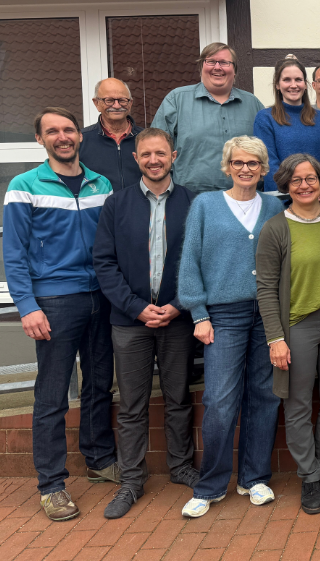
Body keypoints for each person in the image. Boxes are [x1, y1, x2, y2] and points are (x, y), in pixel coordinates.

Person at [3, 107, 119, 522]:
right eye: (52, 131)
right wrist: (27, 305)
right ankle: (51, 485)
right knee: (52, 396)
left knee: (99, 385)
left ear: (79, 135)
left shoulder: (101, 183)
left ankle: (99, 460)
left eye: (69, 129)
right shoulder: (24, 186)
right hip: (54, 301)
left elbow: (113, 243)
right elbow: (14, 253)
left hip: (101, 297)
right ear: (40, 139)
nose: (63, 136)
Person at [92, 128, 199, 519]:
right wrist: (136, 307)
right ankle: (132, 480)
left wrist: (178, 305)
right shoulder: (116, 204)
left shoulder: (194, 203)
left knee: (178, 398)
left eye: (161, 153)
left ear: (174, 156)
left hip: (177, 319)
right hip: (129, 322)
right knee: (132, 405)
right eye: (147, 154)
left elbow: (202, 261)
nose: (154, 160)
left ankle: (181, 466)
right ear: (136, 158)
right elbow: (104, 263)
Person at [177, 136, 284, 518]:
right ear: (227, 167)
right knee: (220, 401)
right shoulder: (206, 205)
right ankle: (210, 485)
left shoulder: (274, 206)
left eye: (253, 163)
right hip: (223, 315)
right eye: (238, 162)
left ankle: (254, 478)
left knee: (265, 397)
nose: (245, 169)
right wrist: (198, 313)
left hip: (267, 313)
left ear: (263, 168)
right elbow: (190, 260)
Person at [256, 154, 320, 515]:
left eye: (311, 178)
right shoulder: (275, 229)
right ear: (285, 185)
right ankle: (309, 475)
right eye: (296, 180)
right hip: (297, 323)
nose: (304, 185)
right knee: (298, 402)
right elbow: (266, 288)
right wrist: (275, 338)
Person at [152, 43, 264, 194]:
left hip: (245, 197)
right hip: (189, 198)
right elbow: (156, 150)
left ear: (234, 70)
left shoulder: (252, 104)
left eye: (224, 62)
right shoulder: (177, 100)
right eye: (211, 61)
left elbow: (267, 152)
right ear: (201, 67)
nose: (217, 67)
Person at [254, 57, 320, 192]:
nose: (293, 85)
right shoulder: (265, 118)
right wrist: (289, 193)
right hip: (282, 197)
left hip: (318, 197)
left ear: (305, 84)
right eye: (287, 80)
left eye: (298, 80)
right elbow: (269, 164)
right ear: (277, 85)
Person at [80, 78, 143, 191]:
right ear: (96, 103)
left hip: (141, 202)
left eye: (122, 100)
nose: (117, 106)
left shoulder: (147, 138)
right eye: (109, 100)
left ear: (130, 103)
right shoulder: (81, 140)